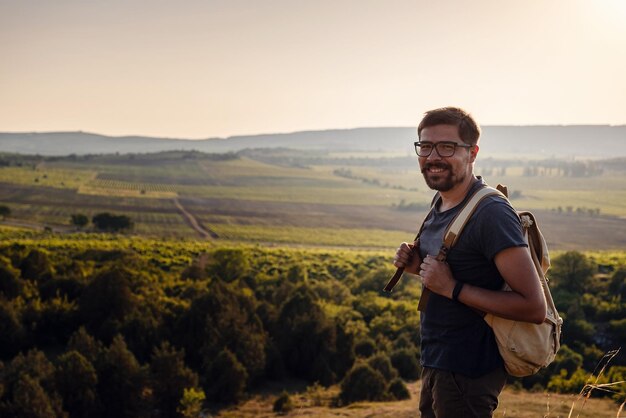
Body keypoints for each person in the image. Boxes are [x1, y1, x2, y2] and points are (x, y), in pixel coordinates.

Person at [393, 107, 547, 417]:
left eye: (447, 147)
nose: (433, 156)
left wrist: (452, 287)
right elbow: (455, 269)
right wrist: (416, 267)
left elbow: (533, 307)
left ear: (472, 152)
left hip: (469, 371)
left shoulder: (490, 213)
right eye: (425, 146)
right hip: (437, 361)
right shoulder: (442, 200)